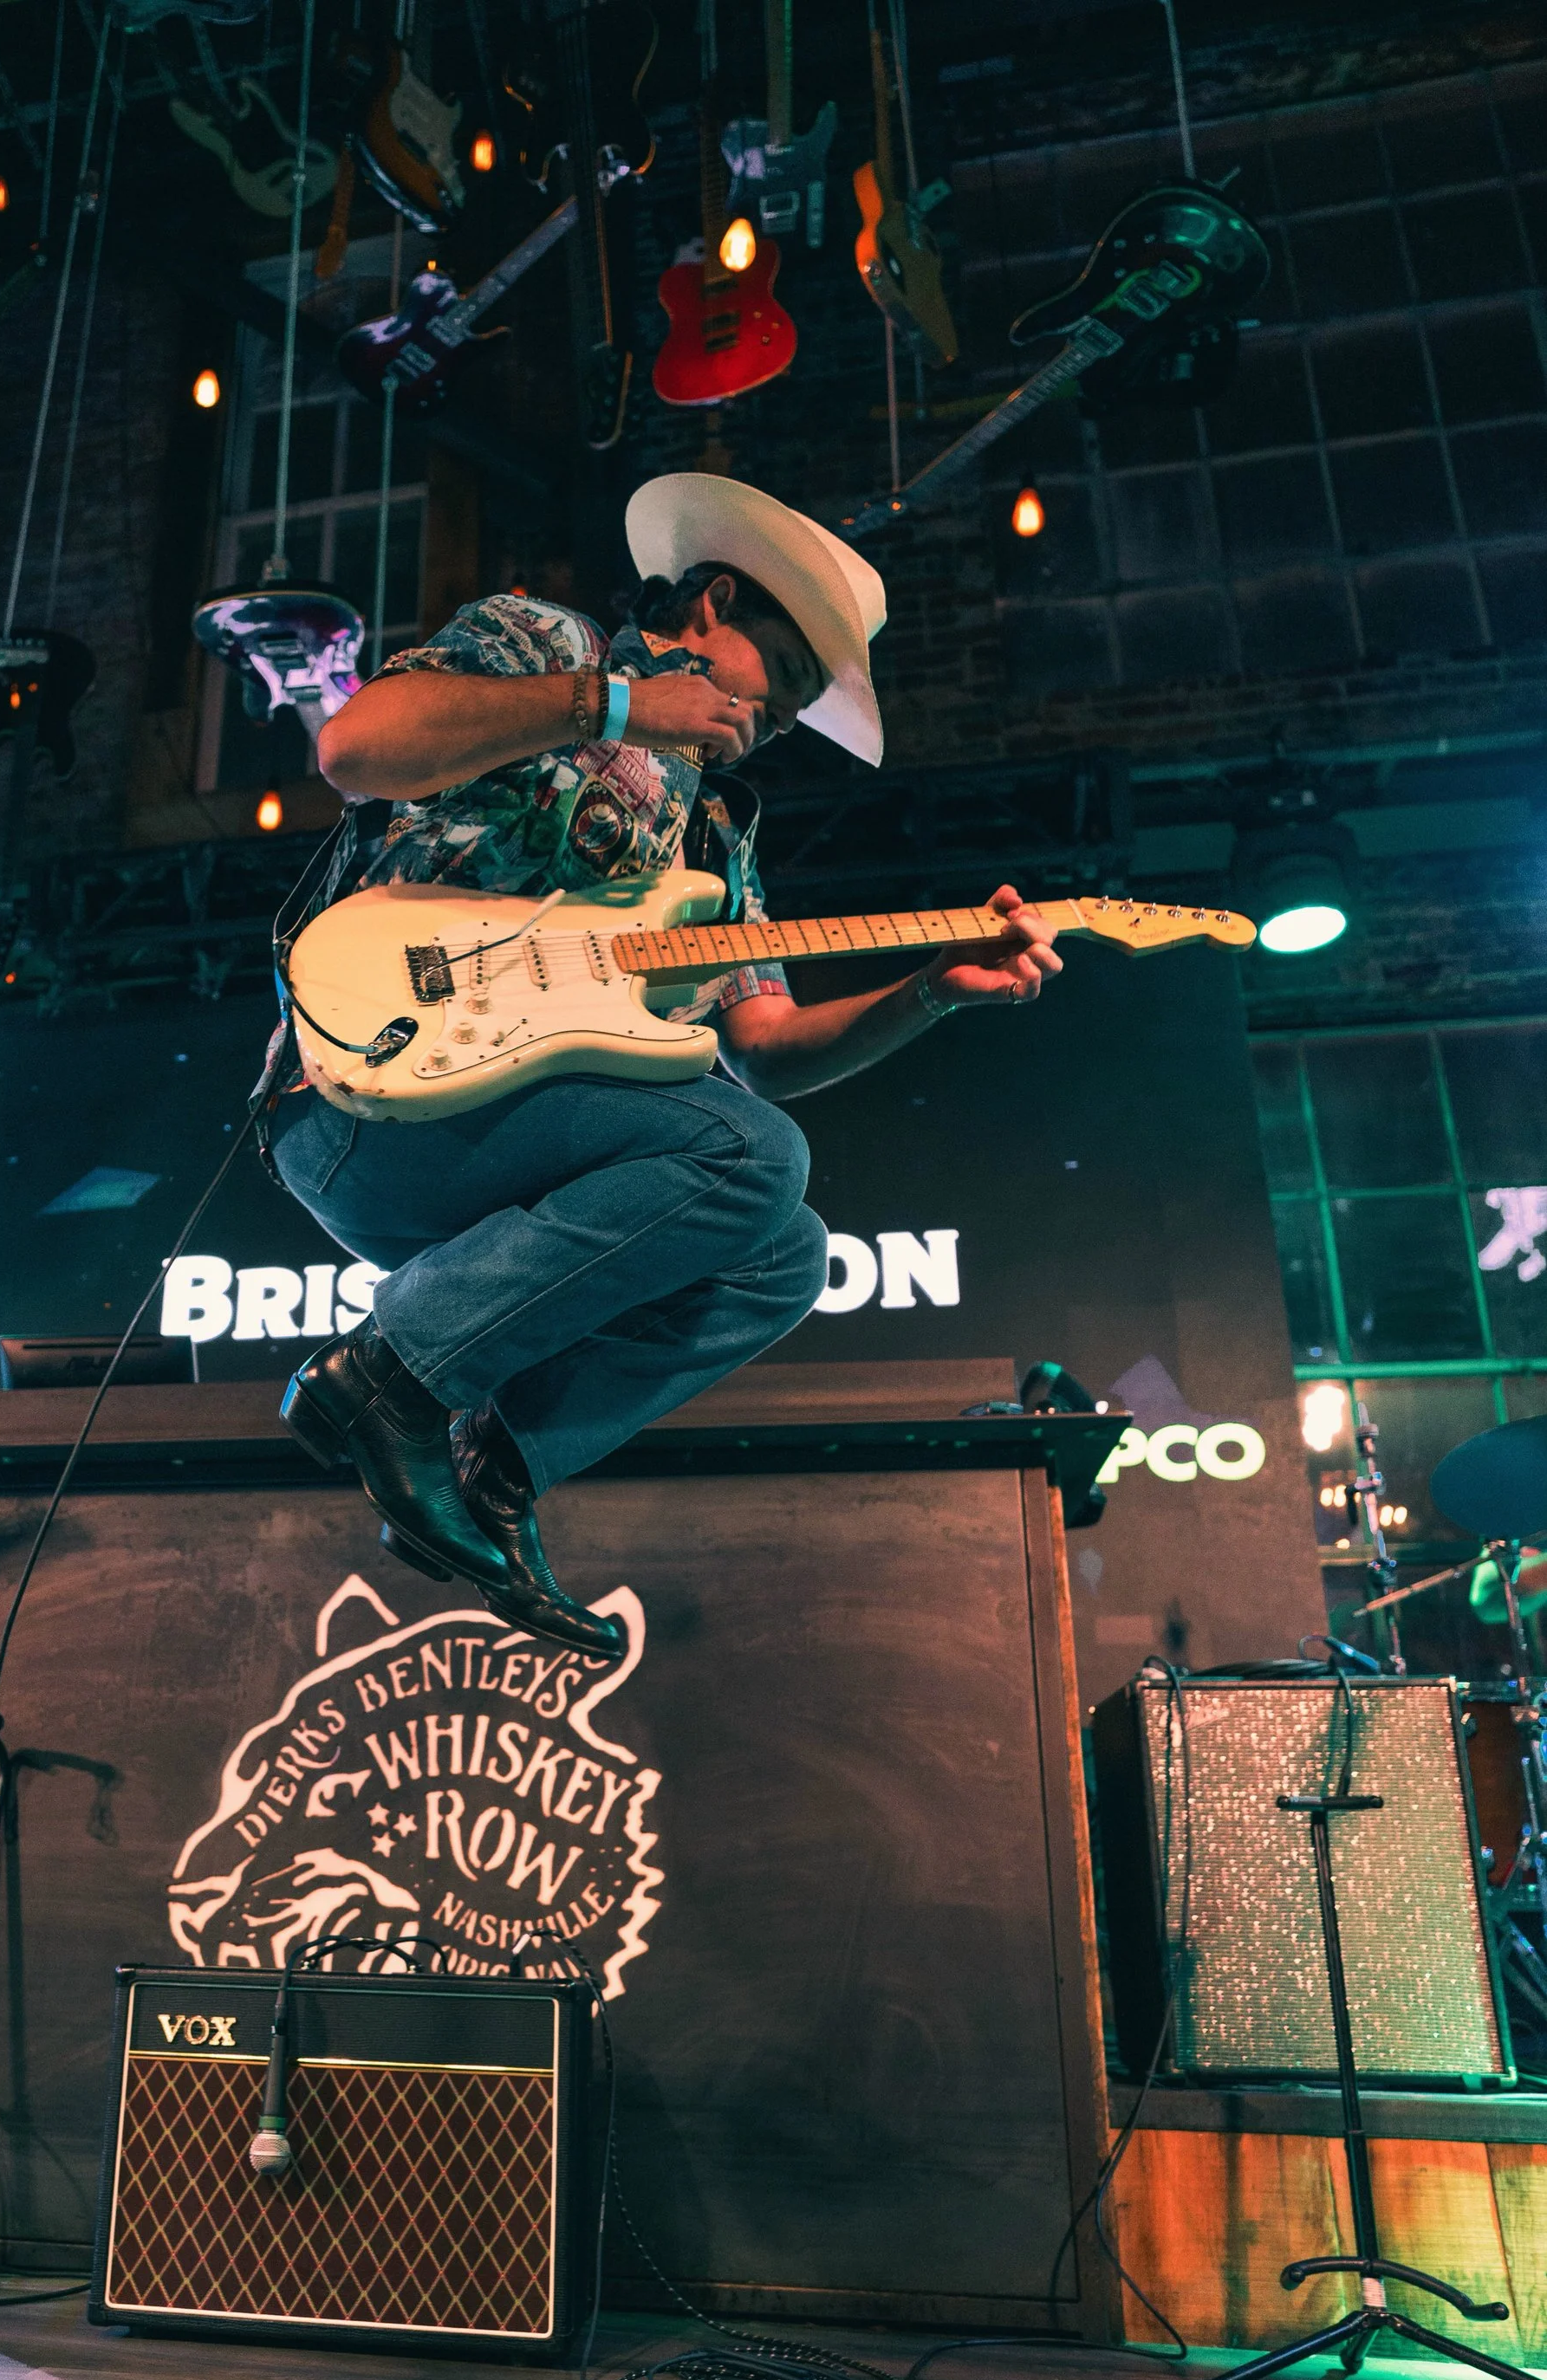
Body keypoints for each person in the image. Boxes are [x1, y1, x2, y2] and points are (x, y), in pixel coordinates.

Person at [263, 473, 1062, 1655]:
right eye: (783, 682)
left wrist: (933, 989)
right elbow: (354, 747)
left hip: (500, 1156)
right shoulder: (545, 640)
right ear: (714, 601)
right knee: (754, 1153)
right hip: (362, 1097)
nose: (782, 723)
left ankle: (494, 1467)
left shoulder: (717, 834)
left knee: (785, 1248)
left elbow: (765, 1050)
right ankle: (393, 1373)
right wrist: (618, 705)